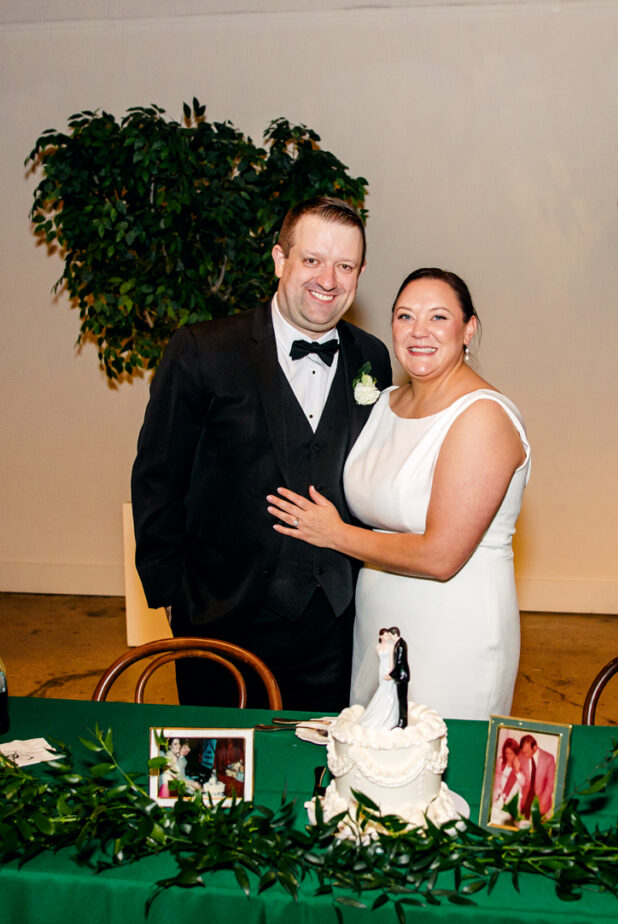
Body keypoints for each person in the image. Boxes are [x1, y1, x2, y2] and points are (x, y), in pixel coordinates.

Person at [131, 197, 392, 710]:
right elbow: (158, 476)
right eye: (312, 260)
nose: (328, 279)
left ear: (360, 274)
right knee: (216, 780)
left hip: (337, 625)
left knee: (323, 775)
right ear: (280, 260)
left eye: (345, 266)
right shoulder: (202, 350)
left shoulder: (372, 357)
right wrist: (173, 596)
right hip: (222, 615)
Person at [266, 267, 530, 720]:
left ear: (469, 329)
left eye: (439, 318)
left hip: (455, 630)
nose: (419, 331)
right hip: (378, 623)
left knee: (436, 768)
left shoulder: (483, 417)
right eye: (406, 317)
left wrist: (334, 534)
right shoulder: (385, 403)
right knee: (373, 767)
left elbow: (440, 557)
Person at [489, 737, 526, 825]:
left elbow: (523, 783)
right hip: (497, 799)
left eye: (511, 754)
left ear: (516, 754)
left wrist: (516, 770)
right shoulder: (500, 761)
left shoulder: (519, 766)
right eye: (506, 753)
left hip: (509, 803)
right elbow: (496, 779)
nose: (508, 756)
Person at [518, 734, 556, 818]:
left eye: (527, 752)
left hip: (543, 803)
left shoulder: (548, 758)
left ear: (535, 747)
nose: (524, 755)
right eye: (523, 752)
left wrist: (542, 803)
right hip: (525, 803)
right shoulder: (521, 755)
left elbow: (551, 782)